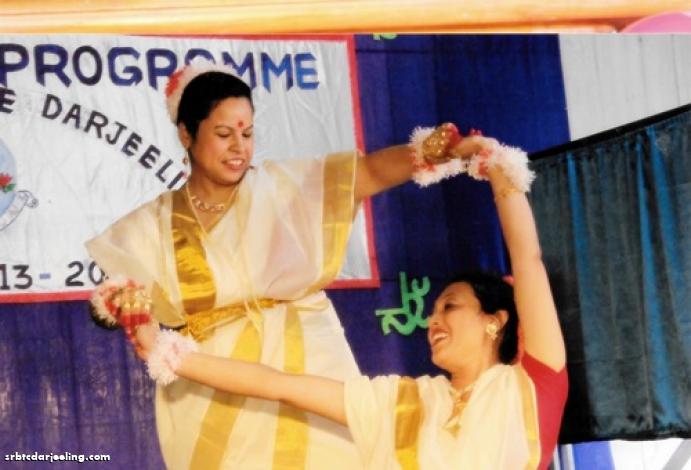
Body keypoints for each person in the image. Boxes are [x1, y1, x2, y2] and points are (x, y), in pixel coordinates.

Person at [86, 60, 473, 469]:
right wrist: (122, 303)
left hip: (310, 360)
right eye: (223, 134)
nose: (239, 147)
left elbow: (369, 172)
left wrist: (427, 152)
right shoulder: (152, 223)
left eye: (247, 134)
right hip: (213, 386)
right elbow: (112, 295)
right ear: (186, 134)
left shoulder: (281, 188)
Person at [127, 133, 569, 470]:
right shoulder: (404, 401)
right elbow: (278, 384)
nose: (432, 321)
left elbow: (527, 259)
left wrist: (494, 164)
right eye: (433, 312)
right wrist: (165, 352)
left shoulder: (531, 386)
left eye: (449, 306)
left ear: (495, 320)